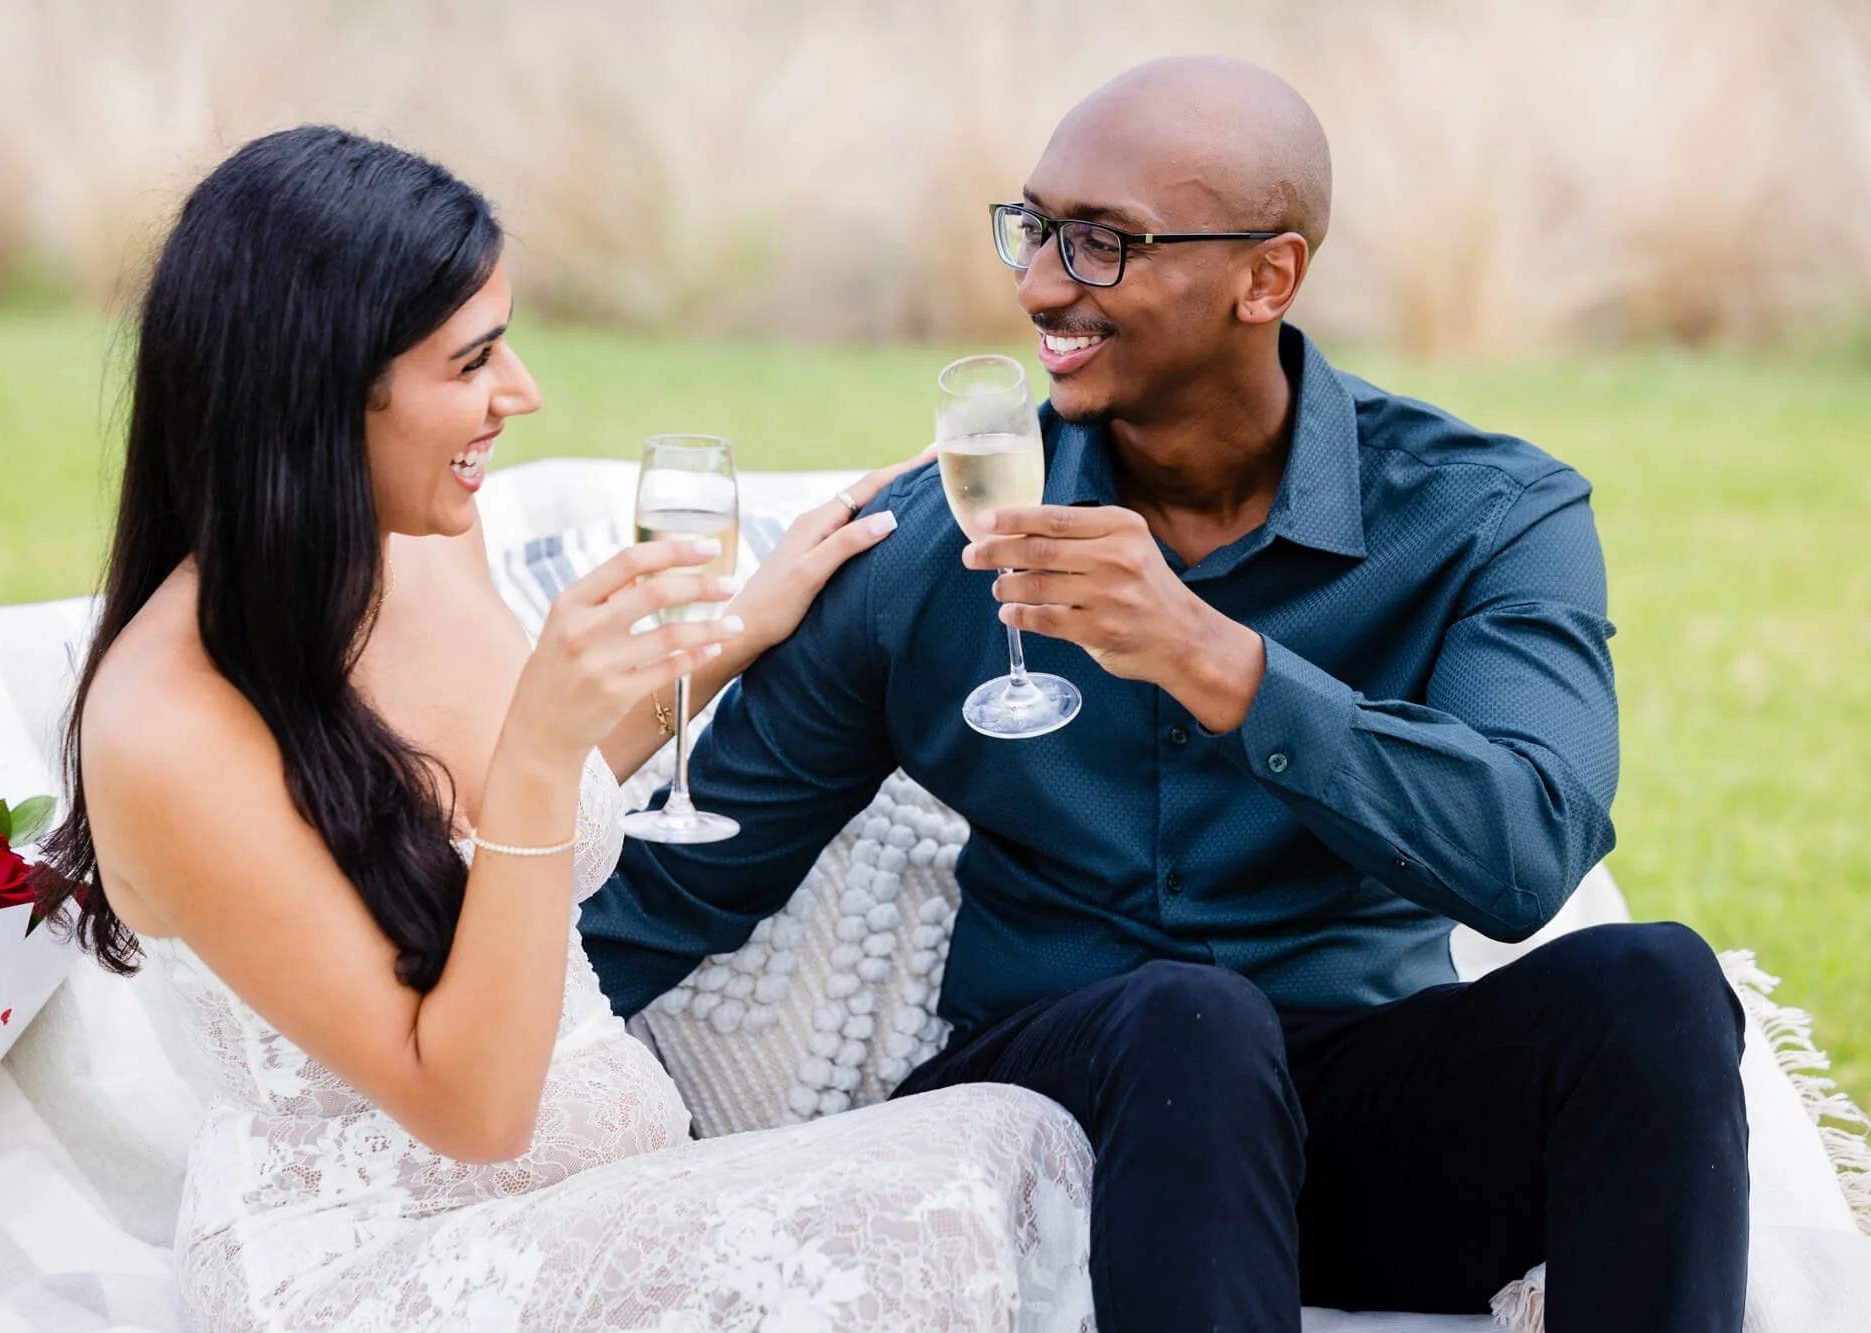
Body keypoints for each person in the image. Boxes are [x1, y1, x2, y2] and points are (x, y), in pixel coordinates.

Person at [583, 56, 1748, 1331]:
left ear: (1268, 276)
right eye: (1032, 229)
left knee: (1656, 989)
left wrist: (1217, 662)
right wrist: (433, 1037)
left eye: (1100, 245)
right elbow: (681, 886)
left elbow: (1525, 854)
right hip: (1048, 1132)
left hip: (1356, 1134)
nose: (1036, 286)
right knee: (1190, 1020)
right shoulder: (930, 545)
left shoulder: (1484, 515)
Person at [51, 125, 1095, 1331]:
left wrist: (750, 619)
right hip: (374, 1263)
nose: (524, 393)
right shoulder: (166, 728)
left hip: (601, 1202)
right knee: (912, 1218)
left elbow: (498, 819)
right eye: (474, 360)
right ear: (321, 387)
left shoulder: (428, 548)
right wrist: (542, 740)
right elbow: (473, 1105)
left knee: (1008, 1139)